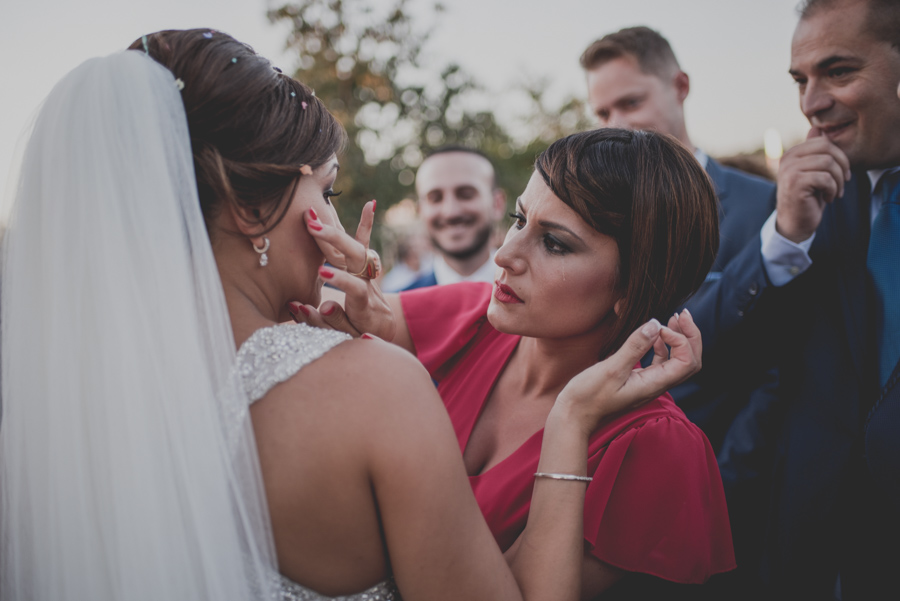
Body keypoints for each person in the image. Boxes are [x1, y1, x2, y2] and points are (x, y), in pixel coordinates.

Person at [0, 30, 707, 601]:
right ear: (251, 209)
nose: (504, 255)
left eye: (552, 240)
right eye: (328, 190)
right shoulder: (374, 386)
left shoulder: (57, 393)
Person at [292, 128, 737, 598]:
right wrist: (346, 286)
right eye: (519, 219)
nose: (504, 255)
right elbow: (308, 310)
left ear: (631, 290)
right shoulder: (473, 319)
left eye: (555, 244)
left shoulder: (655, 447)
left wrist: (571, 419)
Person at [676, 0, 900, 597]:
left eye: (840, 72)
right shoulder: (812, 208)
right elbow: (711, 357)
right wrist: (784, 238)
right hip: (819, 557)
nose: (811, 102)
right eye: (801, 80)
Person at [579, 26, 778, 454]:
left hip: (727, 456)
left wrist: (732, 473)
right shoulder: (591, 218)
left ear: (680, 86)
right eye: (602, 113)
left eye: (631, 102)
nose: (617, 124)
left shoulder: (764, 206)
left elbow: (779, 365)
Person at [401, 146, 507, 290]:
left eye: (466, 194)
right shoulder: (397, 307)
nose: (450, 212)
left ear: (497, 204)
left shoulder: (537, 299)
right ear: (420, 211)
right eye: (435, 198)